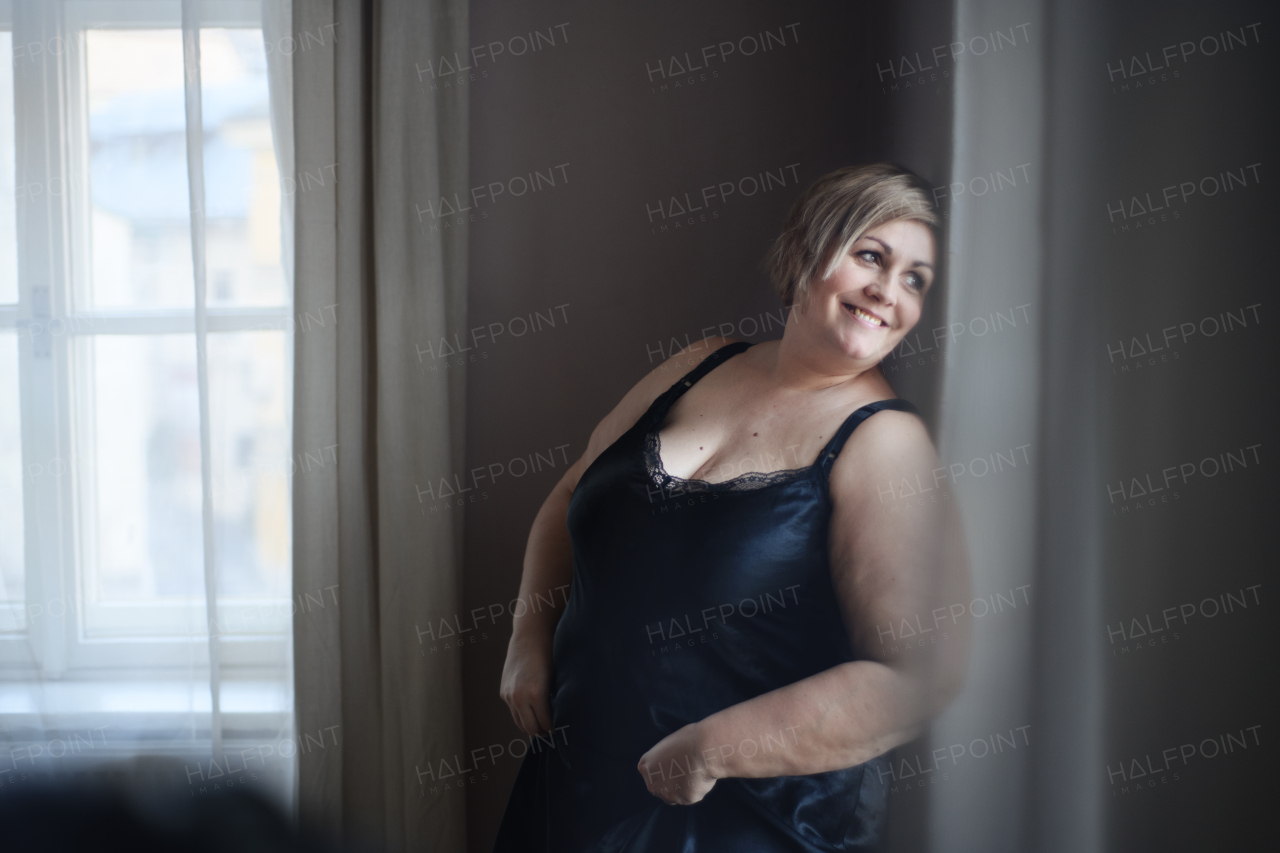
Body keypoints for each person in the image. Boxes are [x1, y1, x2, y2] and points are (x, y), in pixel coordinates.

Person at [493, 163, 971, 852]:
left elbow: (920, 675)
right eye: (871, 255)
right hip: (572, 789)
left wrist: (715, 749)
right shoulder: (699, 362)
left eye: (915, 279)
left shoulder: (886, 442)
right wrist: (527, 640)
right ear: (807, 249)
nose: (887, 292)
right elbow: (569, 496)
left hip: (738, 822)